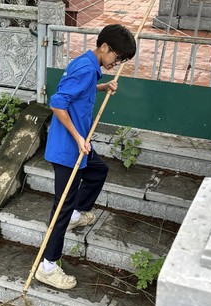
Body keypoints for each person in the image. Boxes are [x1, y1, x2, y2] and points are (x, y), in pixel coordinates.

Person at [34, 24, 137, 290]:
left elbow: (80, 90)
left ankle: (78, 214)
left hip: (79, 147)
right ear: (105, 48)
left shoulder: (90, 66)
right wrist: (79, 138)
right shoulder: (84, 68)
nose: (118, 62)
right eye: (118, 57)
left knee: (98, 172)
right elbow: (58, 102)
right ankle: (47, 266)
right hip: (70, 149)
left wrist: (102, 87)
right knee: (61, 209)